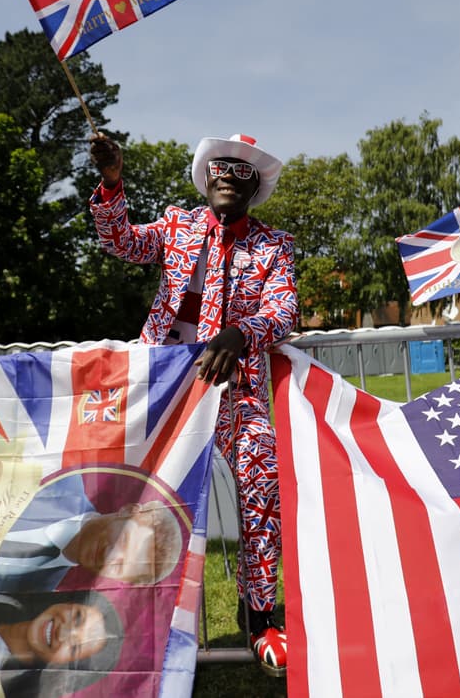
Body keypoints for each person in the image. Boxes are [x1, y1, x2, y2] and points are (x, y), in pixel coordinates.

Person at [88, 131, 296, 675]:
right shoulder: (178, 225)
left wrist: (239, 333)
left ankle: (260, 617)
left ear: (255, 187)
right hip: (161, 385)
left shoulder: (274, 245)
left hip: (232, 388)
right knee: (130, 490)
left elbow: (284, 311)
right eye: (220, 167)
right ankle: (120, 614)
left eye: (241, 170)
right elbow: (123, 244)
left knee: (262, 470)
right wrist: (113, 184)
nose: (228, 174)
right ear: (207, 180)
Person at [0, 473, 183, 592]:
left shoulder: (37, 590)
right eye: (124, 541)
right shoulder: (58, 478)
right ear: (128, 511)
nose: (109, 555)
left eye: (120, 566)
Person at [0, 589, 124, 697]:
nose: (63, 632)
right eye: (77, 617)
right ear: (67, 602)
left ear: (63, 666)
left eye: (75, 648)